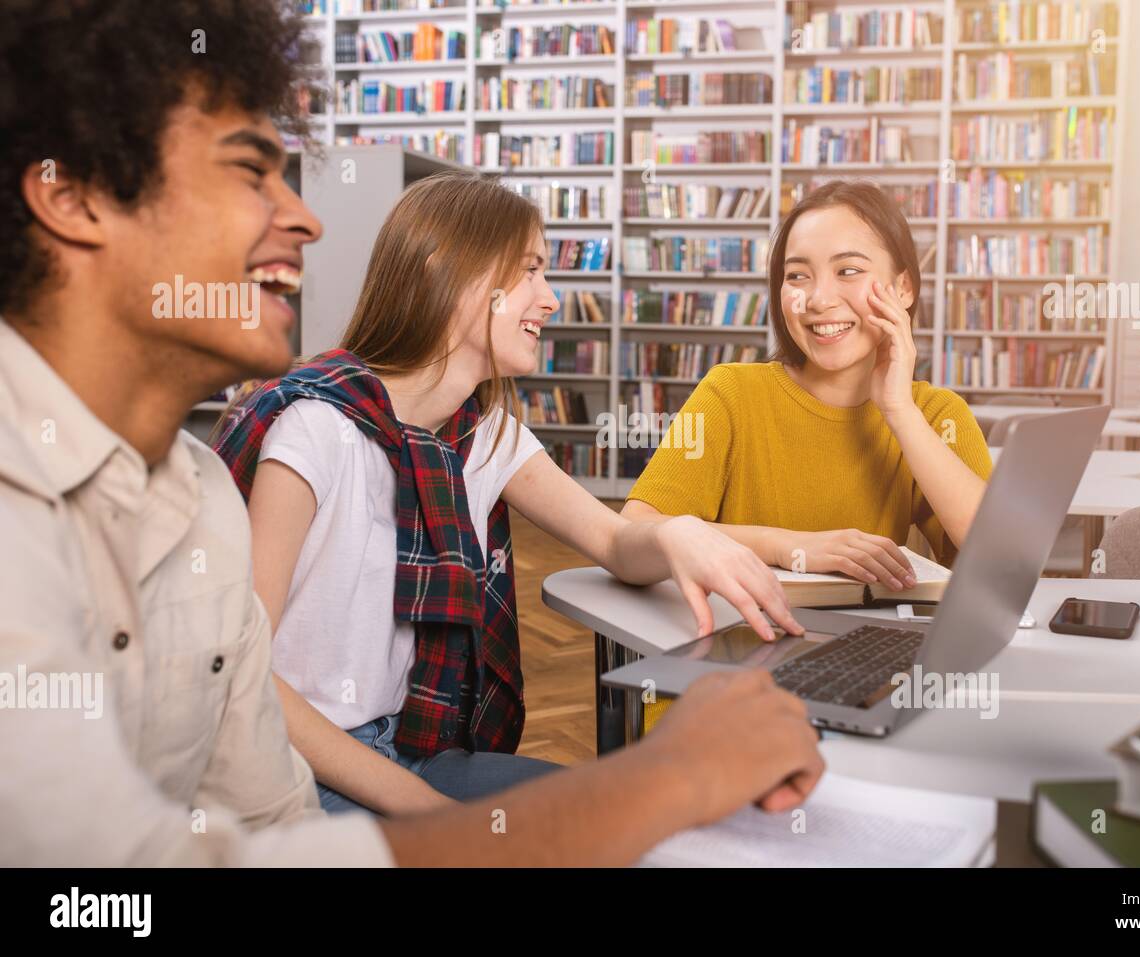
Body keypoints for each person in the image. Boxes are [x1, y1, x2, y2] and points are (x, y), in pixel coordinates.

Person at [0, 0, 824, 866]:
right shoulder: (311, 432)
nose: (309, 219)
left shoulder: (203, 491)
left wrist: (696, 541)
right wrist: (641, 783)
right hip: (355, 765)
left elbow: (261, 810)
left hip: (396, 754)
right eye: (251, 171)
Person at [211, 170, 805, 815]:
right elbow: (242, 677)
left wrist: (678, 532)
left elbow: (612, 540)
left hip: (415, 749)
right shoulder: (315, 430)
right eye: (529, 270)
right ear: (449, 271)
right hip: (292, 768)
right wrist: (428, 810)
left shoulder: (486, 432)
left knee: (629, 814)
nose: (550, 299)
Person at [623, 180, 992, 584]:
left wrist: (899, 411)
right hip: (736, 637)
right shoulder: (729, 393)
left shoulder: (936, 414)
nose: (817, 299)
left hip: (865, 641)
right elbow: (632, 537)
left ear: (903, 288)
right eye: (797, 276)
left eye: (848, 270)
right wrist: (787, 546)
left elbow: (998, 559)